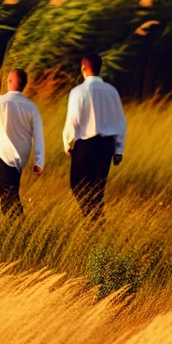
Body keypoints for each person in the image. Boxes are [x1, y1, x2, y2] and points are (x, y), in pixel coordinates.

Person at [62, 53, 127, 222]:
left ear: (83, 68)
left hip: (85, 145)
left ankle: (93, 219)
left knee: (78, 185)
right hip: (106, 145)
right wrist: (118, 150)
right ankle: (95, 220)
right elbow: (120, 122)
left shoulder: (78, 92)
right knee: (97, 188)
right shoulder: (111, 91)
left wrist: (67, 143)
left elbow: (73, 120)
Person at [0, 69, 45, 217]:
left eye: (8, 79)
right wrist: (39, 161)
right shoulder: (31, 106)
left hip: (4, 154)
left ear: (10, 82)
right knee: (13, 188)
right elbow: (38, 135)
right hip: (22, 155)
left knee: (7, 195)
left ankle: (17, 223)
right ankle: (16, 222)